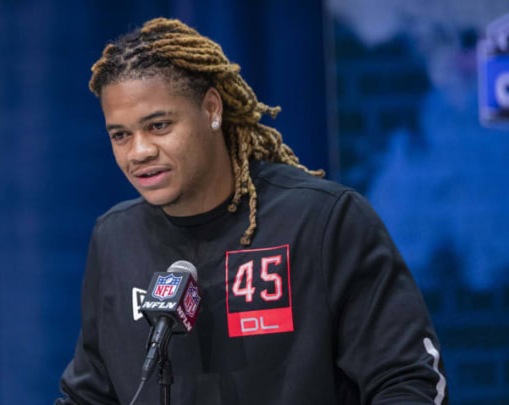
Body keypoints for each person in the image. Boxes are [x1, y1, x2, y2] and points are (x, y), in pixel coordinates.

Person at [56, 17, 447, 405]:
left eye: (158, 126)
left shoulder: (324, 220)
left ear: (211, 109)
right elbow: (88, 395)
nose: (139, 151)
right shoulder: (114, 238)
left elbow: (408, 381)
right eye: (120, 135)